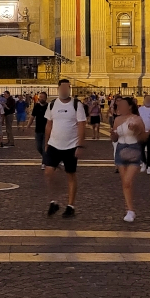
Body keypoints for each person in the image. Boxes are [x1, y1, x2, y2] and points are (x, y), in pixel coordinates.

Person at [44, 78, 86, 218]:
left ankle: (70, 205)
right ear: (58, 89)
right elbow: (49, 124)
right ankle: (54, 201)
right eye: (62, 88)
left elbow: (81, 125)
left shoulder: (76, 105)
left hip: (71, 146)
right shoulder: (52, 105)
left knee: (71, 174)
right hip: (54, 144)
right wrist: (46, 143)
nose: (64, 90)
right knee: (48, 172)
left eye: (67, 88)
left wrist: (80, 144)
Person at [111, 97, 147, 222]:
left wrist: (136, 130)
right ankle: (129, 209)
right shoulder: (117, 119)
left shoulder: (137, 119)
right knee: (126, 183)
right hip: (120, 149)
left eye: (122, 105)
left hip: (134, 149)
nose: (120, 107)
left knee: (127, 181)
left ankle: (130, 210)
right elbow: (114, 139)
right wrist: (113, 134)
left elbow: (143, 138)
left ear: (130, 106)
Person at [30, 91, 49, 168]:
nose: (41, 98)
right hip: (38, 130)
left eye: (42, 97)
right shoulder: (36, 106)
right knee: (38, 147)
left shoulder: (49, 106)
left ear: (45, 98)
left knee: (45, 147)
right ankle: (47, 158)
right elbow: (32, 116)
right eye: (40, 97)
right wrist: (28, 125)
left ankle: (44, 162)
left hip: (47, 130)